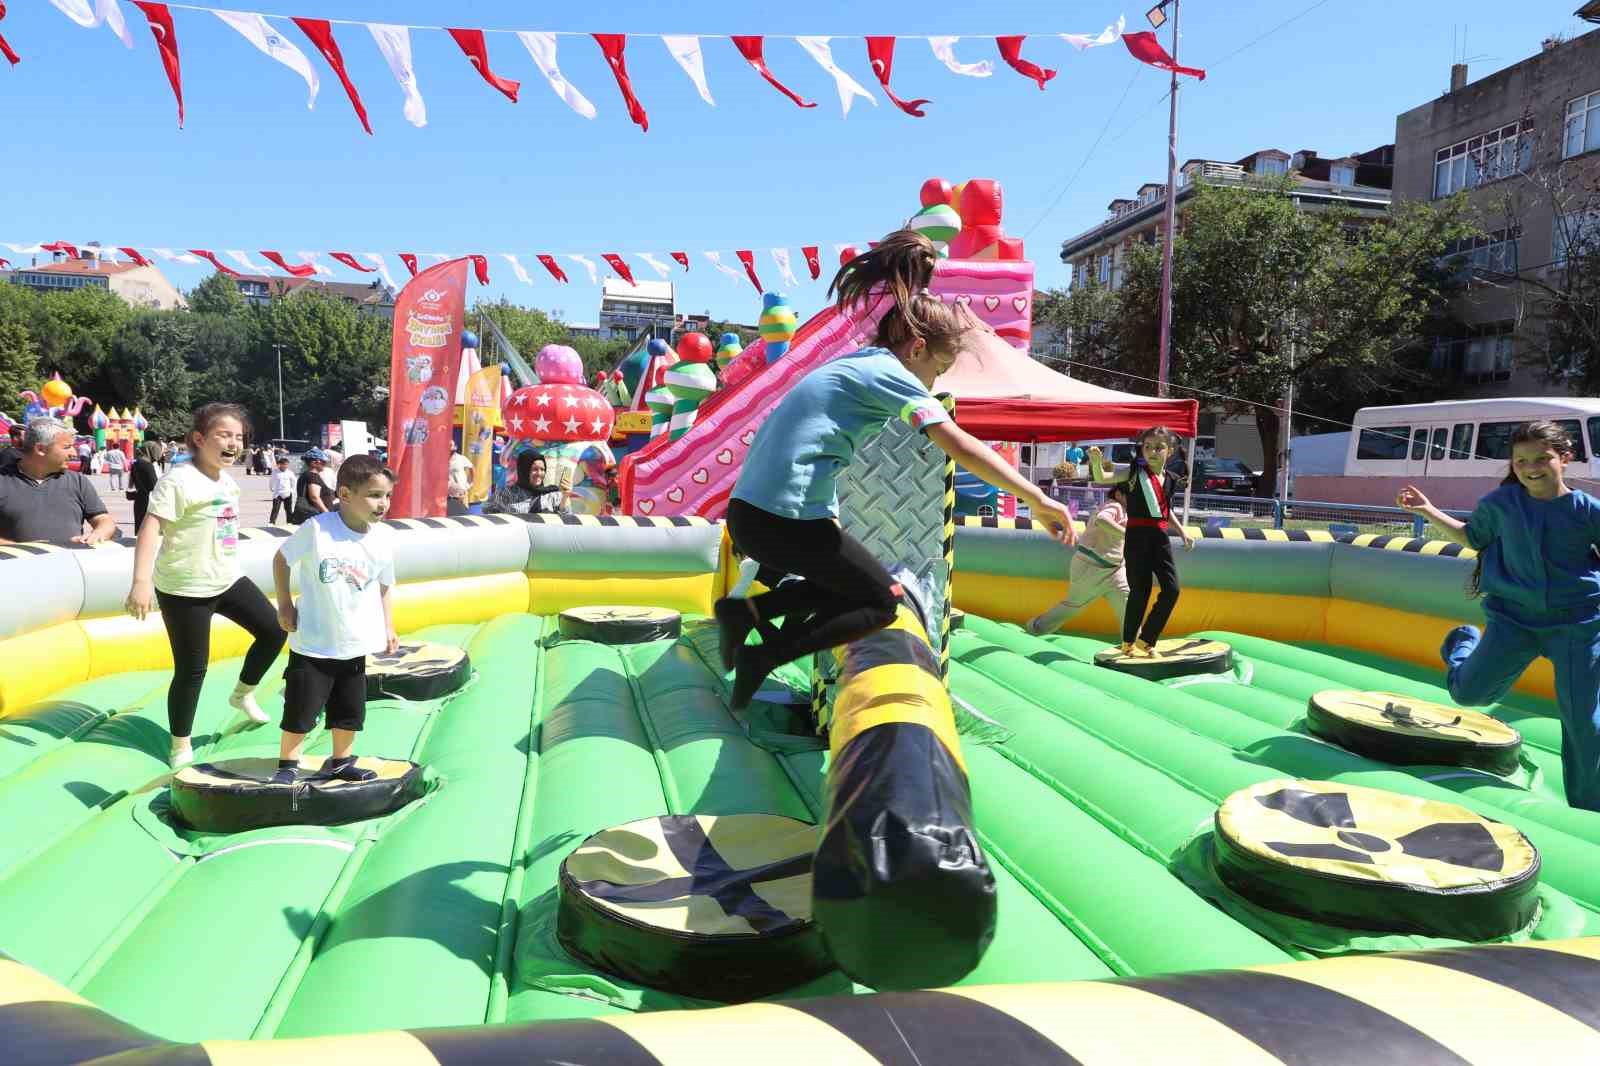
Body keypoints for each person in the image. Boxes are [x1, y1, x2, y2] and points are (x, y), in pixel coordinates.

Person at [711, 229, 1074, 709]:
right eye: (939, 371)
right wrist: (1038, 498)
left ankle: (747, 612)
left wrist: (827, 513)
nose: (934, 383)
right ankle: (766, 654)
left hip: (757, 516)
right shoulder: (890, 373)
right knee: (884, 601)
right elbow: (955, 443)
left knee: (842, 586)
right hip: (780, 522)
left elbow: (812, 442)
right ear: (918, 348)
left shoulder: (858, 365)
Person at [1398, 420, 1600, 812]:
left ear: (1566, 459)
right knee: (1469, 694)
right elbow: (1473, 537)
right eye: (1521, 460)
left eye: (1543, 458)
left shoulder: (1586, 510)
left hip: (1577, 623)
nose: (1531, 467)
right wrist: (1428, 510)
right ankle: (1463, 644)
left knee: (1584, 723)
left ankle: (1588, 809)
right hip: (1514, 620)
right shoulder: (1501, 504)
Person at [125, 403, 285, 768]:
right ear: (199, 439)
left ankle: (243, 693)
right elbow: (151, 528)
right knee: (193, 668)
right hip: (184, 589)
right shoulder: (178, 481)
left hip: (226, 578)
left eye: (239, 437)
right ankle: (180, 744)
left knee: (275, 630)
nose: (234, 443)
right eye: (224, 435)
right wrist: (141, 581)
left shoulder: (227, 481)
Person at [270, 454, 398, 785]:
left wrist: (388, 626)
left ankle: (341, 762)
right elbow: (282, 560)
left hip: (354, 644)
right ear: (345, 494)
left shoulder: (382, 540)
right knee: (301, 708)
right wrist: (284, 604)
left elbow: (384, 585)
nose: (382, 503)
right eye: (374, 495)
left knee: (349, 710)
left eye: (386, 496)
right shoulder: (318, 530)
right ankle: (288, 764)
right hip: (314, 642)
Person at [1088, 426, 1195, 658]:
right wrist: (1096, 461)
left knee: (1172, 590)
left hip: (1160, 537)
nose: (1152, 452)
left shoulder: (1170, 479)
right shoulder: (1134, 472)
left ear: (1171, 450)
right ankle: (1128, 643)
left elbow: (1164, 510)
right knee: (1140, 591)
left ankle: (1147, 638)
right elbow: (1101, 478)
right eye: (1147, 447)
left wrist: (1182, 531)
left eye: (1159, 448)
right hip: (1137, 537)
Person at [1028, 482, 1130, 636]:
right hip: (1091, 566)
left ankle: (1131, 643)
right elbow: (1102, 520)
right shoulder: (1115, 506)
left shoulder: (1126, 511)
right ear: (1119, 495)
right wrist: (1128, 533)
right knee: (1073, 605)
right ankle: (1036, 627)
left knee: (1128, 604)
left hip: (1114, 569)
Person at [0, 417, 118, 547]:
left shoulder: (77, 481)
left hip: (71, 565)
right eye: (67, 447)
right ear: (40, 449)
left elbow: (104, 520)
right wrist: (26, 549)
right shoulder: (3, 480)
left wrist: (97, 534)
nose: (74, 453)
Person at [483, 450, 567, 515]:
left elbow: (567, 521)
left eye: (542, 469)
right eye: (534, 469)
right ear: (524, 470)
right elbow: (486, 511)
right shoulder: (505, 494)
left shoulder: (553, 495)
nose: (539, 473)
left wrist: (565, 498)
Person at [292, 449, 334, 522]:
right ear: (314, 463)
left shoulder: (306, 475)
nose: (325, 464)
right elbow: (314, 497)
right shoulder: (312, 476)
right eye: (323, 462)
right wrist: (327, 513)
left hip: (311, 516)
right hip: (315, 516)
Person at [130, 440, 162, 532]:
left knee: (140, 527)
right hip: (150, 500)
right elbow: (154, 484)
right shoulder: (147, 465)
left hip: (140, 499)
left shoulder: (136, 463)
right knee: (149, 529)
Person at [269, 454, 296, 525]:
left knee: (288, 509)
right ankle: (272, 522)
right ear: (280, 464)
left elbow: (294, 481)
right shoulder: (275, 472)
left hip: (287, 493)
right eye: (284, 465)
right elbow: (271, 480)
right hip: (278, 493)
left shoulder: (290, 472)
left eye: (287, 465)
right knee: (275, 509)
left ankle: (289, 522)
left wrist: (292, 490)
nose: (286, 466)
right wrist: (271, 487)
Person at [447, 443, 472, 517]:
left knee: (463, 515)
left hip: (461, 492)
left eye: (452, 446)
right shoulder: (442, 458)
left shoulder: (461, 458)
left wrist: (470, 483)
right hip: (449, 494)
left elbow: (472, 468)